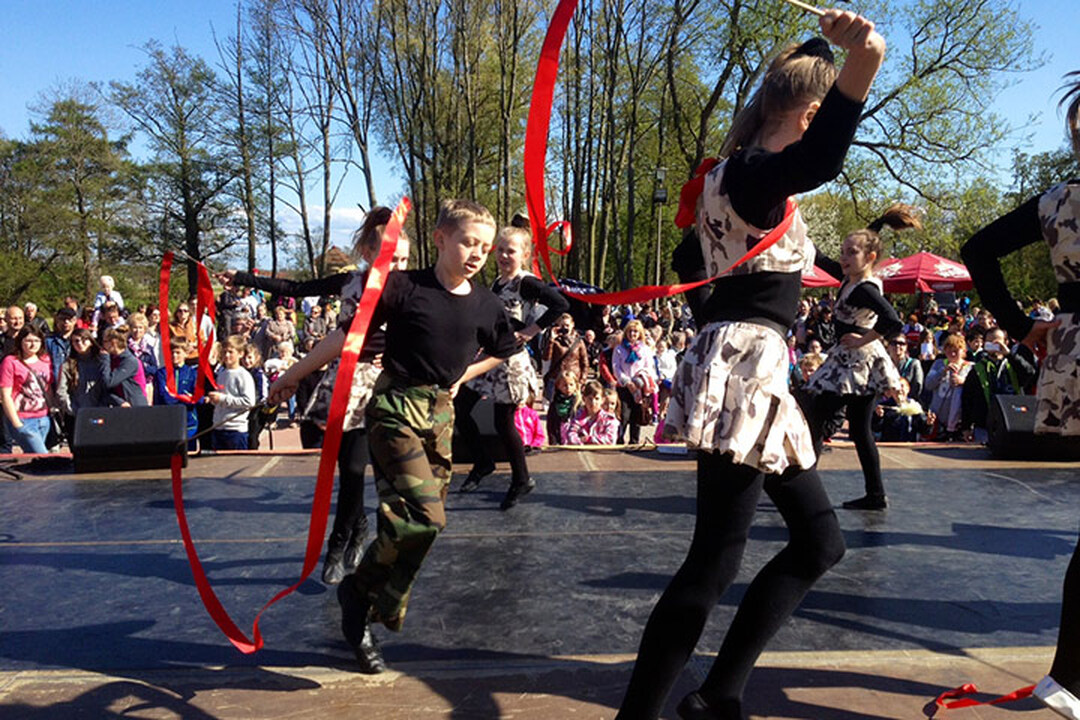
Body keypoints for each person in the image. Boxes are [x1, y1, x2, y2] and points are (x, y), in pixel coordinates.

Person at [617, 10, 884, 718]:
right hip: (747, 364)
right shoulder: (756, 174)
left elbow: (689, 260)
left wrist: (718, 328)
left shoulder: (727, 178)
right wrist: (867, 56)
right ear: (810, 112)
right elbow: (822, 160)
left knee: (819, 541)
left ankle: (721, 693)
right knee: (713, 560)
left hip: (744, 361)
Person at [268, 198, 518, 674]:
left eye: (485, 247)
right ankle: (368, 600)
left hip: (439, 417)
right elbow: (346, 337)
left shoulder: (486, 304)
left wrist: (462, 377)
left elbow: (504, 347)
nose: (477, 253)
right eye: (468, 242)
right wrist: (292, 376)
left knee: (421, 524)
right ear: (440, 239)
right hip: (394, 408)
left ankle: (357, 596)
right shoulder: (404, 287)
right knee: (425, 516)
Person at [960, 71, 1080, 718]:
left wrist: (1018, 323)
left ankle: (1067, 677)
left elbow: (977, 250)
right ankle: (1066, 678)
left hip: (1072, 354)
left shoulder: (1056, 201)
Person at [221, 206, 411, 585]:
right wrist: (242, 278)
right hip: (351, 383)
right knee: (351, 469)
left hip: (392, 385)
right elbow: (294, 289)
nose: (398, 267)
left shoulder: (409, 289)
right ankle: (346, 537)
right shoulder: (349, 283)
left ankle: (363, 536)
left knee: (388, 474)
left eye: (403, 260)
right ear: (369, 253)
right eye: (391, 258)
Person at [805, 205, 915, 510]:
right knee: (858, 429)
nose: (843, 258)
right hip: (857, 363)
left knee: (816, 417)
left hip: (855, 363)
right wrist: (798, 234)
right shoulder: (850, 280)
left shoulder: (863, 289)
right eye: (843, 251)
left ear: (869, 258)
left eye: (850, 253)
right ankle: (875, 494)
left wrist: (863, 338)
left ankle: (803, 488)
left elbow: (893, 321)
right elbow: (822, 259)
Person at [455, 225, 568, 509]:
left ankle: (521, 479)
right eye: (501, 250)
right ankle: (483, 462)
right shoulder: (498, 282)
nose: (504, 256)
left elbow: (560, 304)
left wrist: (532, 330)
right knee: (460, 407)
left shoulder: (526, 283)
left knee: (502, 423)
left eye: (511, 251)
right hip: (490, 357)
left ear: (525, 254)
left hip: (511, 362)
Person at [960, 326, 1037, 442]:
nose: (993, 345)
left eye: (997, 342)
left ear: (1005, 342)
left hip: (1013, 422)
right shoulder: (977, 369)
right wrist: (966, 427)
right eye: (989, 342)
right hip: (984, 426)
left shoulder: (1013, 364)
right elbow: (967, 398)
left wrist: (1009, 354)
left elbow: (1030, 373)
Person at [0, 326, 55, 454]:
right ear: (21, 341)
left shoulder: (45, 360)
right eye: (28, 341)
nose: (33, 344)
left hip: (43, 418)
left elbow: (48, 388)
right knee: (42, 456)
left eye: (36, 341)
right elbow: (5, 395)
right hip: (23, 418)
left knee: (34, 458)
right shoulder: (10, 361)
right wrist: (16, 423)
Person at [206, 335, 256, 450]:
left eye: (230, 352)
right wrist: (213, 400)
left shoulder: (243, 375)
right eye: (224, 352)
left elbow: (249, 402)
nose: (227, 355)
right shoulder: (221, 374)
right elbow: (221, 397)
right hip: (218, 426)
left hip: (235, 429)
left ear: (240, 354)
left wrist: (222, 398)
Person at [613, 319, 657, 444]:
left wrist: (641, 378)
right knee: (624, 415)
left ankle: (634, 440)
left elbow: (649, 367)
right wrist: (627, 382)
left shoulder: (645, 349)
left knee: (637, 415)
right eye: (630, 331)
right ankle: (619, 439)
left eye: (635, 332)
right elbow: (616, 368)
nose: (632, 334)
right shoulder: (619, 349)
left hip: (639, 386)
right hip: (624, 386)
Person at [153, 337, 200, 449]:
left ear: (186, 354)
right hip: (168, 421)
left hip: (189, 422)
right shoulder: (162, 373)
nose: (174, 356)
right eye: (172, 352)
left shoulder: (192, 373)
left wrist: (189, 399)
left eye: (178, 352)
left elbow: (199, 399)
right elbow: (165, 398)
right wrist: (185, 398)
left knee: (189, 453)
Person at [924, 332, 972, 440]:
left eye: (956, 351)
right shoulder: (938, 364)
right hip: (938, 419)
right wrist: (942, 372)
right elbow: (928, 384)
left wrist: (963, 381)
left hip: (959, 421)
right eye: (949, 351)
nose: (953, 354)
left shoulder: (970, 367)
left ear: (963, 351)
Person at [564, 379, 619, 445]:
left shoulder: (609, 419)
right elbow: (570, 434)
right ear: (584, 399)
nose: (593, 402)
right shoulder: (579, 417)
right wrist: (580, 442)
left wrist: (588, 439)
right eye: (590, 398)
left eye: (597, 399)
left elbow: (610, 439)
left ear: (602, 400)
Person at [545, 370, 581, 448]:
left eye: (571, 384)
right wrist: (553, 442)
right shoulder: (554, 404)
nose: (568, 388)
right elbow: (550, 425)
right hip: (559, 439)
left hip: (576, 442)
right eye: (565, 385)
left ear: (576, 385)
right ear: (558, 386)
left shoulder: (578, 404)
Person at [885, 330, 923, 401]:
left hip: (906, 402)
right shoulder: (883, 364)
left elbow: (917, 388)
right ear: (888, 346)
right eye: (894, 343)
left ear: (906, 347)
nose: (897, 346)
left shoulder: (914, 364)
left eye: (901, 343)